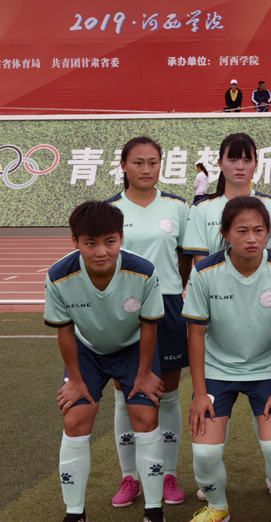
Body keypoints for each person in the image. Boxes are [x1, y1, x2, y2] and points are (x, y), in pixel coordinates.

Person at [182, 196, 271, 522]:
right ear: (225, 233)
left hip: (265, 371)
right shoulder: (204, 272)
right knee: (205, 452)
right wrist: (199, 393)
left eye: (259, 230)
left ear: (268, 233)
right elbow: (195, 335)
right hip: (216, 371)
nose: (252, 238)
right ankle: (217, 507)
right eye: (242, 231)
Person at [45, 201, 166, 522]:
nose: (101, 251)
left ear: (121, 238)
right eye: (90, 243)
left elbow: (149, 325)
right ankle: (75, 513)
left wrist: (144, 373)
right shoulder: (58, 276)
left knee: (146, 417)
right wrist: (75, 379)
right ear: (75, 241)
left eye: (109, 241)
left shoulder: (143, 271)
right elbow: (65, 331)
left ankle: (154, 510)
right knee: (75, 421)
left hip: (134, 350)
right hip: (87, 352)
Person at [106, 137, 192, 508]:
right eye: (138, 162)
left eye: (153, 162)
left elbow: (184, 257)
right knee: (125, 394)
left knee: (167, 395)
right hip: (122, 309)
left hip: (168, 305)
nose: (146, 169)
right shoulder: (110, 209)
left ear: (161, 165)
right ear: (123, 166)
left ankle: (168, 474)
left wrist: (169, 289)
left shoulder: (178, 207)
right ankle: (130, 477)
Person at [183, 132, 271, 262]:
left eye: (247, 160)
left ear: (256, 164)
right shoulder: (201, 209)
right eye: (232, 160)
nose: (240, 167)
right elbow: (201, 264)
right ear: (220, 163)